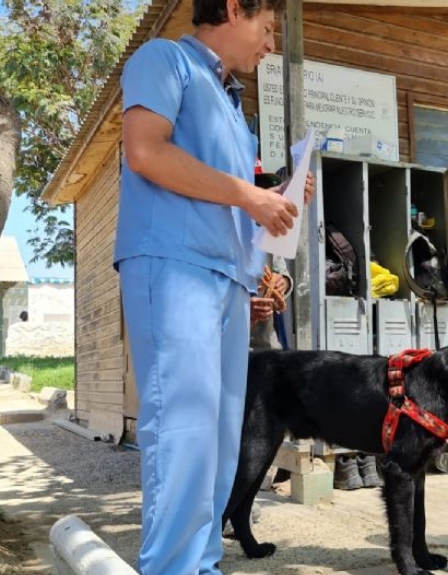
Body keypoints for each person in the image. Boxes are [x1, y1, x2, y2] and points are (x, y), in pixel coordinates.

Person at [114, 1, 314, 573]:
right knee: (184, 427)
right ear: (233, 8)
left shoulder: (231, 102)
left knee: (222, 437)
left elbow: (225, 194)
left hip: (228, 280)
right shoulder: (165, 60)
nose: (271, 45)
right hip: (172, 267)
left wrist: (277, 199)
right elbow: (146, 150)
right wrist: (251, 196)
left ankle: (202, 564)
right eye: (268, 29)